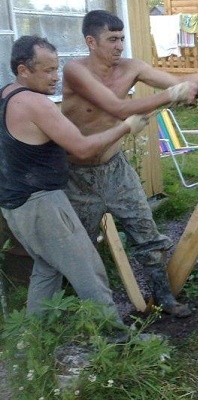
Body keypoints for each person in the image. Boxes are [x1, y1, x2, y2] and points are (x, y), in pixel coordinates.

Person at [61, 10, 198, 318]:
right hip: (75, 175)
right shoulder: (74, 70)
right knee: (77, 246)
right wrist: (170, 96)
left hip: (114, 167)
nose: (119, 47)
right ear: (91, 41)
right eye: (112, 40)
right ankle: (77, 312)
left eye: (122, 39)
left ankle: (164, 298)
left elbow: (177, 83)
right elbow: (117, 107)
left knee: (146, 231)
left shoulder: (132, 67)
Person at [0, 35, 149, 319]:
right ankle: (116, 339)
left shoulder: (5, 95)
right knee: (88, 270)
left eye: (57, 68)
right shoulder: (35, 103)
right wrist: (126, 126)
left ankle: (36, 337)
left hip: (14, 203)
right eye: (47, 70)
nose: (56, 77)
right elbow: (81, 148)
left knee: (47, 267)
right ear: (23, 70)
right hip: (42, 204)